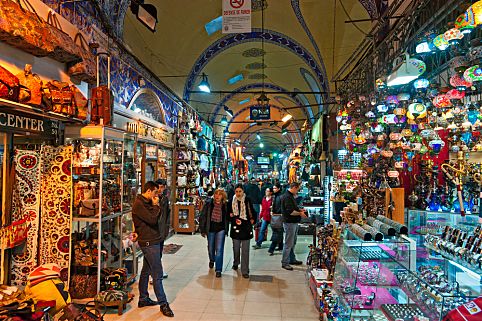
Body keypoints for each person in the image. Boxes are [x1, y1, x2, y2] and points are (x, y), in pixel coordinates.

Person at [132, 181, 174, 317]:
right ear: (149, 191)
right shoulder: (140, 204)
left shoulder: (146, 202)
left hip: (154, 239)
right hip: (149, 242)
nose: (158, 195)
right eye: (156, 192)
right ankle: (163, 303)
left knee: (146, 270)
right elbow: (152, 220)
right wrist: (156, 206)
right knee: (157, 273)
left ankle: (143, 298)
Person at [199, 189, 229, 278]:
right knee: (211, 248)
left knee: (219, 249)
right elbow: (202, 216)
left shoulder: (225, 205)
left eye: (220, 194)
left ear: (222, 196)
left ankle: (218, 269)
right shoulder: (209, 204)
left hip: (221, 229)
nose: (217, 196)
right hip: (211, 229)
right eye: (216, 194)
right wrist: (202, 229)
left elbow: (228, 217)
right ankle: (212, 259)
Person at [228, 184, 256, 278]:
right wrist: (232, 217)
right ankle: (236, 262)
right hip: (235, 226)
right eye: (236, 191)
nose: (238, 193)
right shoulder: (231, 200)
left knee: (245, 250)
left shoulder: (247, 200)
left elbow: (252, 211)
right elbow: (229, 213)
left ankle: (245, 270)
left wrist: (253, 220)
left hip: (246, 227)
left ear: (243, 191)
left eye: (240, 191)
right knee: (236, 248)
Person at [280, 181, 307, 271]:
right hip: (289, 223)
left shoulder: (289, 196)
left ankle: (291, 259)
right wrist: (300, 213)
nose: (298, 191)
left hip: (292, 223)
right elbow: (290, 212)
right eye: (297, 189)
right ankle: (285, 262)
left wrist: (299, 209)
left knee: (292, 242)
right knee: (288, 243)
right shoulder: (287, 197)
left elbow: (292, 208)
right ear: (294, 187)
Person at [155, 179, 170, 279]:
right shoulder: (152, 199)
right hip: (153, 230)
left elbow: (167, 215)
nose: (161, 189)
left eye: (163, 187)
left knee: (159, 252)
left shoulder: (164, 199)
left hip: (162, 229)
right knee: (153, 253)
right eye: (159, 187)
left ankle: (158, 271)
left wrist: (166, 228)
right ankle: (154, 274)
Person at [268, 183, 284, 255]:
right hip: (276, 216)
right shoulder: (276, 196)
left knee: (277, 233)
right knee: (279, 232)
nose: (274, 189)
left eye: (275, 188)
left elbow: (280, 207)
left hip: (278, 216)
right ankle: (280, 246)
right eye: (273, 188)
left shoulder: (280, 197)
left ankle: (271, 249)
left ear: (279, 188)